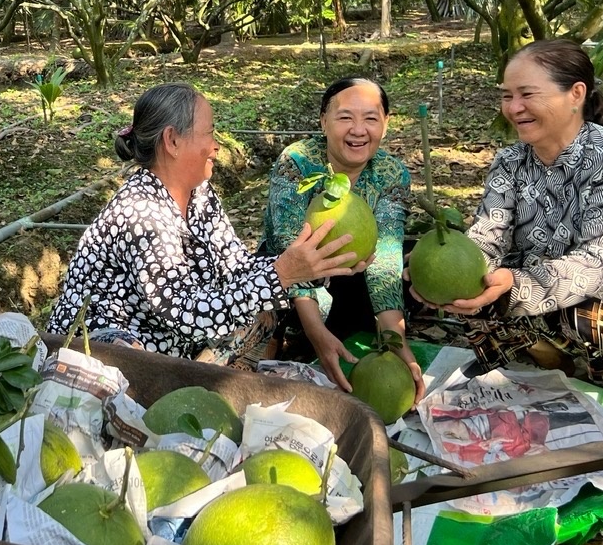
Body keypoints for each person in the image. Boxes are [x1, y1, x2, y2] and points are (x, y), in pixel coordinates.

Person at [411, 39, 603, 382]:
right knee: (471, 290)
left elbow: (596, 266)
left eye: (527, 94)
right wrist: (439, 270)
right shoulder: (510, 162)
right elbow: (487, 238)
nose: (514, 107)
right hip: (548, 295)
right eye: (507, 96)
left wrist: (515, 284)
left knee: (594, 315)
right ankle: (556, 372)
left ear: (576, 94)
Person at [46, 82, 367, 365]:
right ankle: (186, 388)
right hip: (105, 339)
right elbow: (186, 313)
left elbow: (237, 268)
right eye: (209, 133)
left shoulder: (198, 193)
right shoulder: (140, 213)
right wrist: (282, 273)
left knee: (260, 312)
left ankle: (201, 381)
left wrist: (307, 265)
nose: (216, 146)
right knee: (126, 353)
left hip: (175, 336)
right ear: (172, 141)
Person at [260, 77, 422, 398]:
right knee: (266, 290)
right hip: (293, 270)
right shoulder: (298, 162)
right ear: (324, 122)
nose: (358, 130)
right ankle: (277, 335)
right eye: (345, 117)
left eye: (371, 119)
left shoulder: (392, 174)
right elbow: (288, 246)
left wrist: (397, 342)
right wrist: (315, 330)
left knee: (400, 283)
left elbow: (386, 258)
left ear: (386, 125)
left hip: (355, 273)